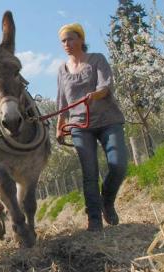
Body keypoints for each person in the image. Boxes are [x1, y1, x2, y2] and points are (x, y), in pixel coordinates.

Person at [56, 23, 128, 232]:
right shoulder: (62, 69)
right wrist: (60, 126)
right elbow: (62, 101)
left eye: (70, 39)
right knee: (89, 172)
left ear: (80, 39)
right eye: (63, 41)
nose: (66, 44)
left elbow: (106, 84)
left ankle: (107, 199)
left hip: (107, 119)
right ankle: (94, 220)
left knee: (118, 165)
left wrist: (95, 94)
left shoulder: (97, 59)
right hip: (79, 124)